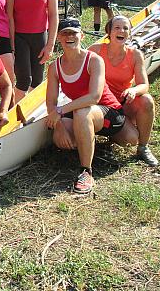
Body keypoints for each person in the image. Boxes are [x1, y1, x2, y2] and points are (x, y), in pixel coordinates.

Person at [46, 17, 138, 194]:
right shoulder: (54, 68)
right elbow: (51, 101)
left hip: (110, 112)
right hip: (84, 112)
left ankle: (86, 170)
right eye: (65, 34)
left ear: (82, 35)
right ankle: (87, 155)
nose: (69, 37)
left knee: (130, 141)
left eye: (73, 33)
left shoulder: (94, 60)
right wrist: (58, 125)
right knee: (60, 138)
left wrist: (60, 111)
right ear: (58, 37)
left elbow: (94, 97)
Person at [89, 16, 159, 166]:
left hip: (123, 102)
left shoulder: (135, 55)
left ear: (129, 33)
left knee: (132, 138)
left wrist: (134, 90)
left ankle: (143, 147)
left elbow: (144, 85)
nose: (121, 31)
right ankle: (102, 130)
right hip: (100, 103)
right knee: (129, 137)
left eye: (125, 28)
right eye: (117, 28)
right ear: (109, 31)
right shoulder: (95, 50)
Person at [7, 0, 59, 103]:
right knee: (23, 80)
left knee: (36, 81)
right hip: (19, 36)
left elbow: (53, 13)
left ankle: (30, 113)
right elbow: (9, 14)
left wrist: (50, 45)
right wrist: (12, 44)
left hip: (39, 36)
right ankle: (17, 115)